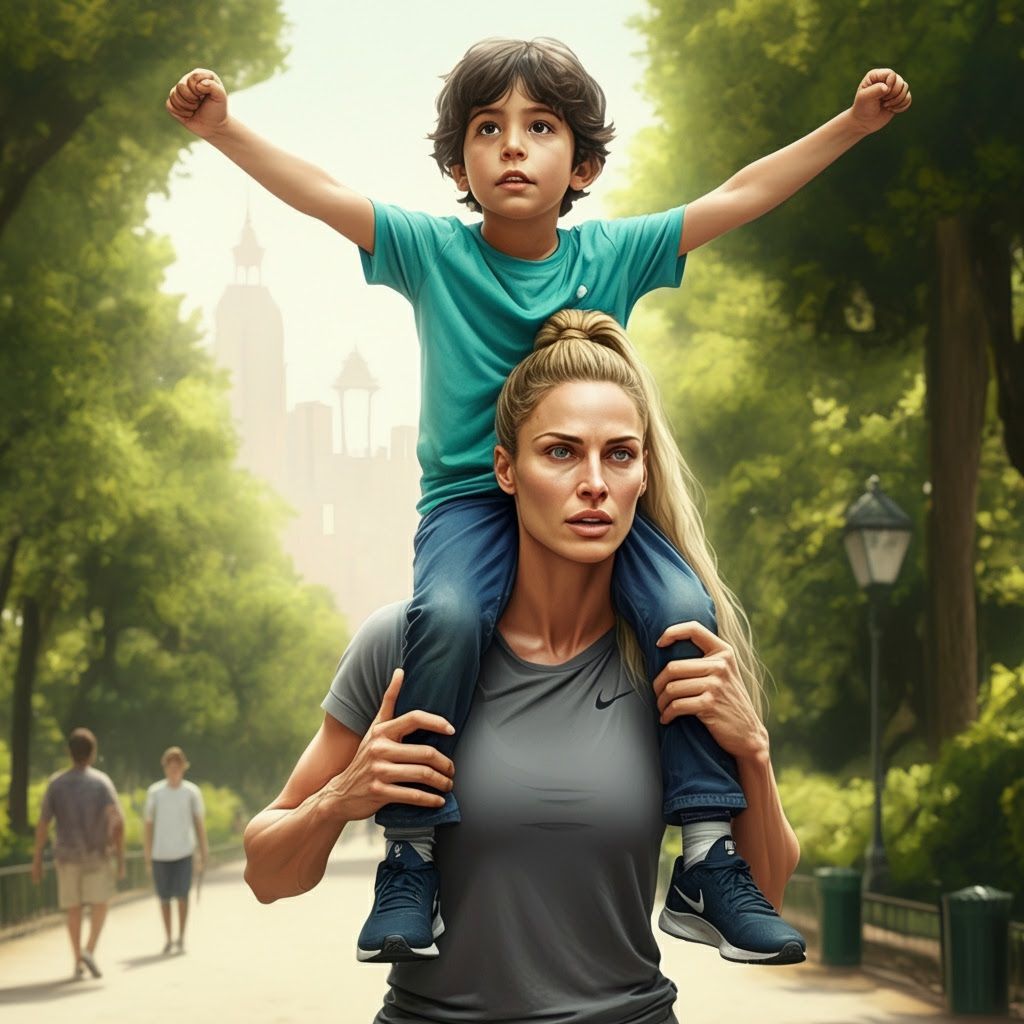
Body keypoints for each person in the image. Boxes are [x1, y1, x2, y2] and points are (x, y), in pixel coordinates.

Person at [166, 38, 910, 963]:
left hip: (582, 505)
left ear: (583, 165)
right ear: (457, 165)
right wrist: (225, 127)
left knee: (684, 607)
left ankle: (708, 857)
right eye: (489, 128)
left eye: (541, 126)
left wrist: (852, 124)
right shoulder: (432, 251)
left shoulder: (616, 252)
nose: (513, 145)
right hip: (469, 507)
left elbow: (741, 195)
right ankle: (412, 849)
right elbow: (319, 192)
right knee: (446, 612)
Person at [244, 309, 804, 1022]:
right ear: (507, 469)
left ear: (643, 474)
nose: (594, 483)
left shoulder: (678, 654)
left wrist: (752, 750)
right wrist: (343, 797)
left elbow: (771, 892)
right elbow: (266, 874)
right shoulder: (405, 645)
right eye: (562, 453)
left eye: (621, 455)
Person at [31, 727, 126, 980]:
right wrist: (121, 857)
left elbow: (43, 824)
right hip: (97, 855)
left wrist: (37, 859)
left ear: (69, 752)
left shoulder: (56, 783)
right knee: (100, 904)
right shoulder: (101, 783)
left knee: (73, 909)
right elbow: (117, 821)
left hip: (66, 856)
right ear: (92, 753)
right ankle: (89, 949)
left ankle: (77, 961)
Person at [144, 745, 208, 954]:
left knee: (182, 895)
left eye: (177, 766)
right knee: (164, 898)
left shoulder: (191, 792)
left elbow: (198, 823)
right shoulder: (155, 792)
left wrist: (203, 851)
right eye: (170, 766)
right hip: (160, 854)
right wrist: (147, 856)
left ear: (183, 767)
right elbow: (148, 825)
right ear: (165, 768)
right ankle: (168, 937)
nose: (174, 770)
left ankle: (181, 936)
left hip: (184, 852)